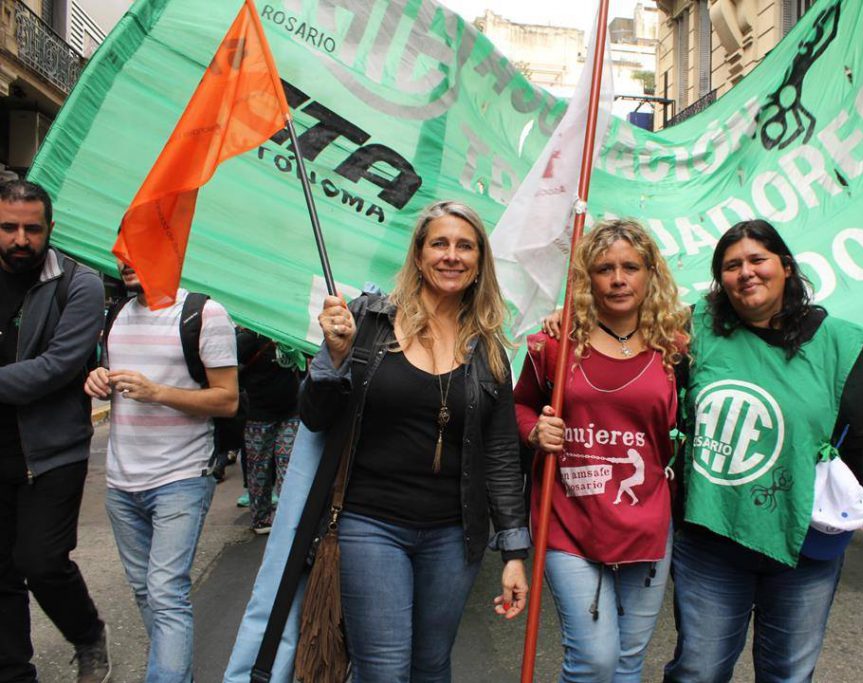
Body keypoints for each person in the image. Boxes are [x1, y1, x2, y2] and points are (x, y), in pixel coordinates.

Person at [662, 220, 863, 682]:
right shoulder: (693, 330)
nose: (746, 273)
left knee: (788, 675)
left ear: (786, 266)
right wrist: (564, 322)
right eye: (732, 266)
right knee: (698, 671)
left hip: (805, 546)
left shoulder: (836, 342)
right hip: (710, 541)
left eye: (757, 260)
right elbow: (625, 340)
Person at [299, 199, 529, 681]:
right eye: (439, 243)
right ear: (420, 255)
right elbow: (315, 417)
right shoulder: (368, 321)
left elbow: (503, 456)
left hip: (453, 535)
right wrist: (335, 358)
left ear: (479, 261)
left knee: (431, 665)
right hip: (370, 524)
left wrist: (513, 553)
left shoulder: (488, 347)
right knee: (383, 670)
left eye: (465, 246)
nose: (452, 255)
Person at [516, 219, 689, 682]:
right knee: (594, 658)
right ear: (586, 278)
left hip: (646, 523)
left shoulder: (675, 350)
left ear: (651, 274)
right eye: (604, 268)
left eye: (630, 267)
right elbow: (519, 406)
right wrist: (535, 431)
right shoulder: (554, 343)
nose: (618, 279)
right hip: (568, 518)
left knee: (627, 663)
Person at [83, 261, 238, 683]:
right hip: (120, 481)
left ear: (168, 247)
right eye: (122, 247)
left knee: (166, 593)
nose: (127, 258)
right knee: (145, 592)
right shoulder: (116, 313)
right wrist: (98, 377)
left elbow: (227, 401)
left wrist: (159, 393)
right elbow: (113, 378)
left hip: (181, 477)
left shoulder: (204, 313)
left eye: (141, 245)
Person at [0, 180, 110, 683]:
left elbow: (58, 366)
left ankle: (87, 634)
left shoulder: (77, 282)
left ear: (49, 229)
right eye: (8, 227)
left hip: (52, 450)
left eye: (31, 229)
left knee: (41, 562)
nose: (20, 239)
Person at [236, 328, 300, 533]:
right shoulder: (249, 337)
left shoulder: (292, 334)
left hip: (291, 412)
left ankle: (286, 518)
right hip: (258, 415)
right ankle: (261, 518)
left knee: (289, 468)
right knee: (259, 469)